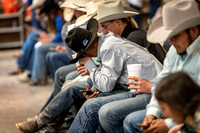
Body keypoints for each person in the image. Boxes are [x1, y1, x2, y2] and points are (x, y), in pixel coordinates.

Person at [16, 17, 162, 133]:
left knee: (91, 106)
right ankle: (48, 123)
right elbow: (106, 80)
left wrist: (90, 65)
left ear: (84, 54)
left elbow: (106, 84)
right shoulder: (106, 43)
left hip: (150, 90)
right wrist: (94, 85)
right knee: (90, 102)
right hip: (135, 87)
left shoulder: (108, 47)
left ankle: (46, 123)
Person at [123, 0, 200, 133]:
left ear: (193, 31)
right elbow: (161, 82)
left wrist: (169, 124)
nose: (171, 41)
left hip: (191, 116)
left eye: (175, 36)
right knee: (132, 121)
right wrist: (151, 114)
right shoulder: (174, 50)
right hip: (175, 110)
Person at [98, 0, 166, 64]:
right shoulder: (132, 36)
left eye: (105, 27)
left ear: (117, 22)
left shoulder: (133, 39)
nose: (104, 31)